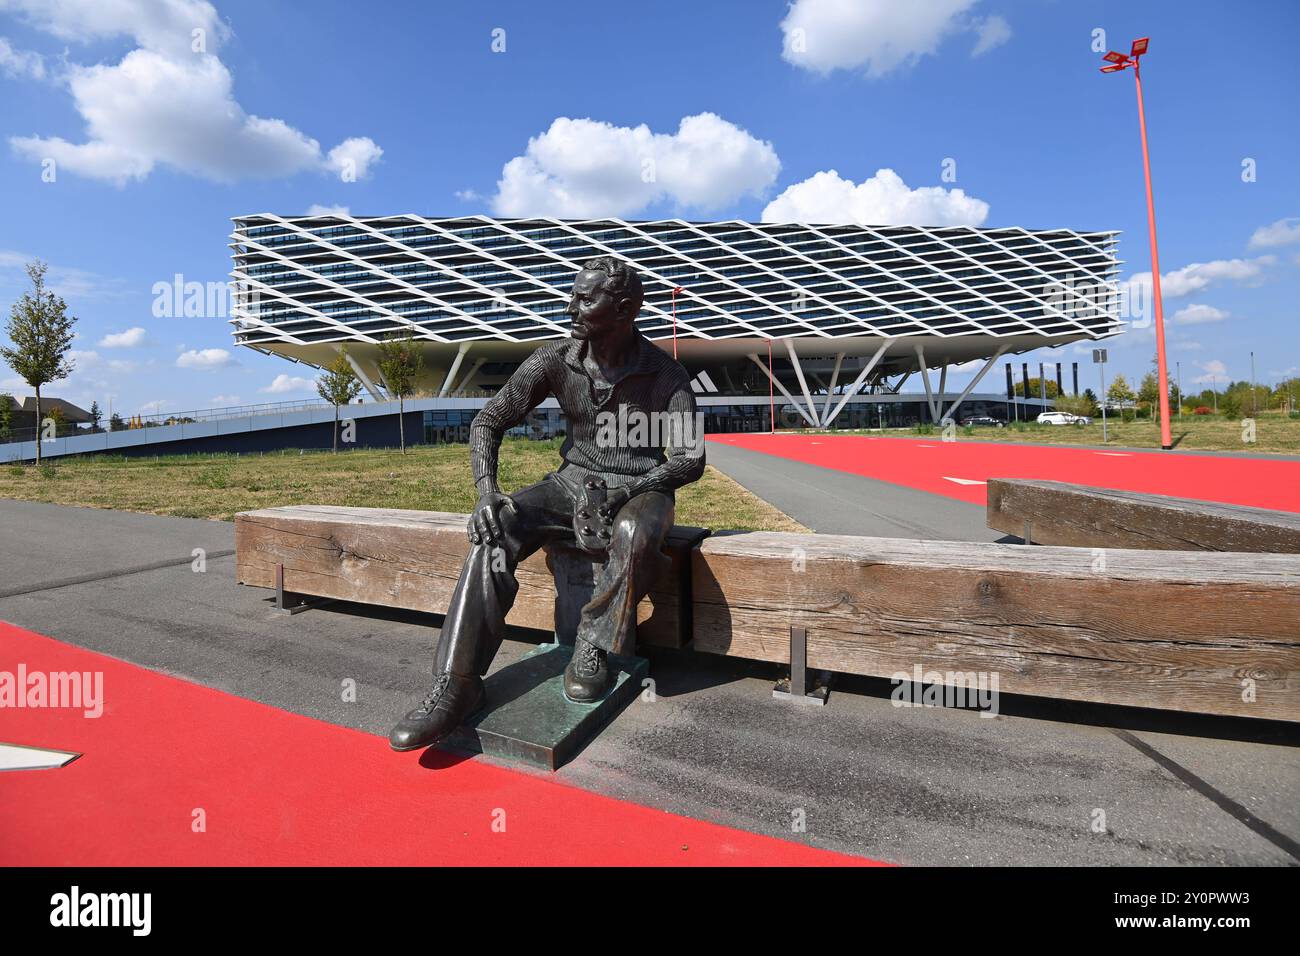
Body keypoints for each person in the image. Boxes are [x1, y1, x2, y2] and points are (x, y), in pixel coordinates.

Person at [389, 257, 705, 751]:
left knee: (632, 535)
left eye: (585, 299)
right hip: (572, 481)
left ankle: (594, 643)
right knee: (499, 530)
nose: (571, 305)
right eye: (573, 294)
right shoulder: (554, 358)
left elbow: (690, 459)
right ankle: (457, 684)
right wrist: (487, 490)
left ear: (623, 310)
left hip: (644, 486)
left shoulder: (666, 373)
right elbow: (489, 421)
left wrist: (628, 492)